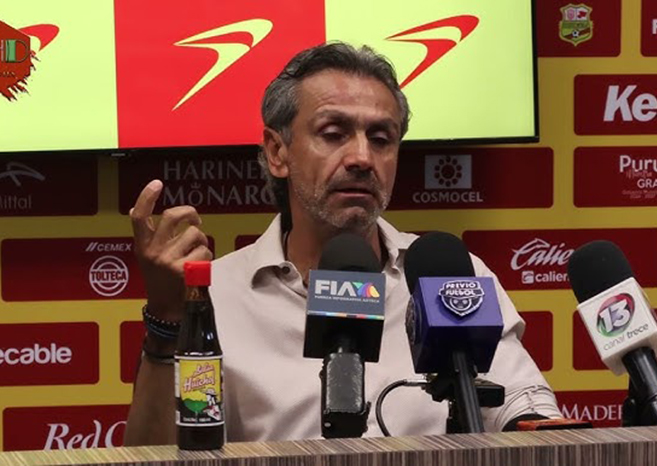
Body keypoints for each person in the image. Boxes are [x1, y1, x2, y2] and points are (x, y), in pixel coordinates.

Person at [124, 42, 561, 445]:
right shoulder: (216, 295)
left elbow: (525, 410)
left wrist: (540, 431)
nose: (362, 158)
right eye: (333, 134)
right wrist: (168, 319)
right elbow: (155, 455)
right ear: (277, 152)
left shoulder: (449, 280)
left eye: (381, 139)